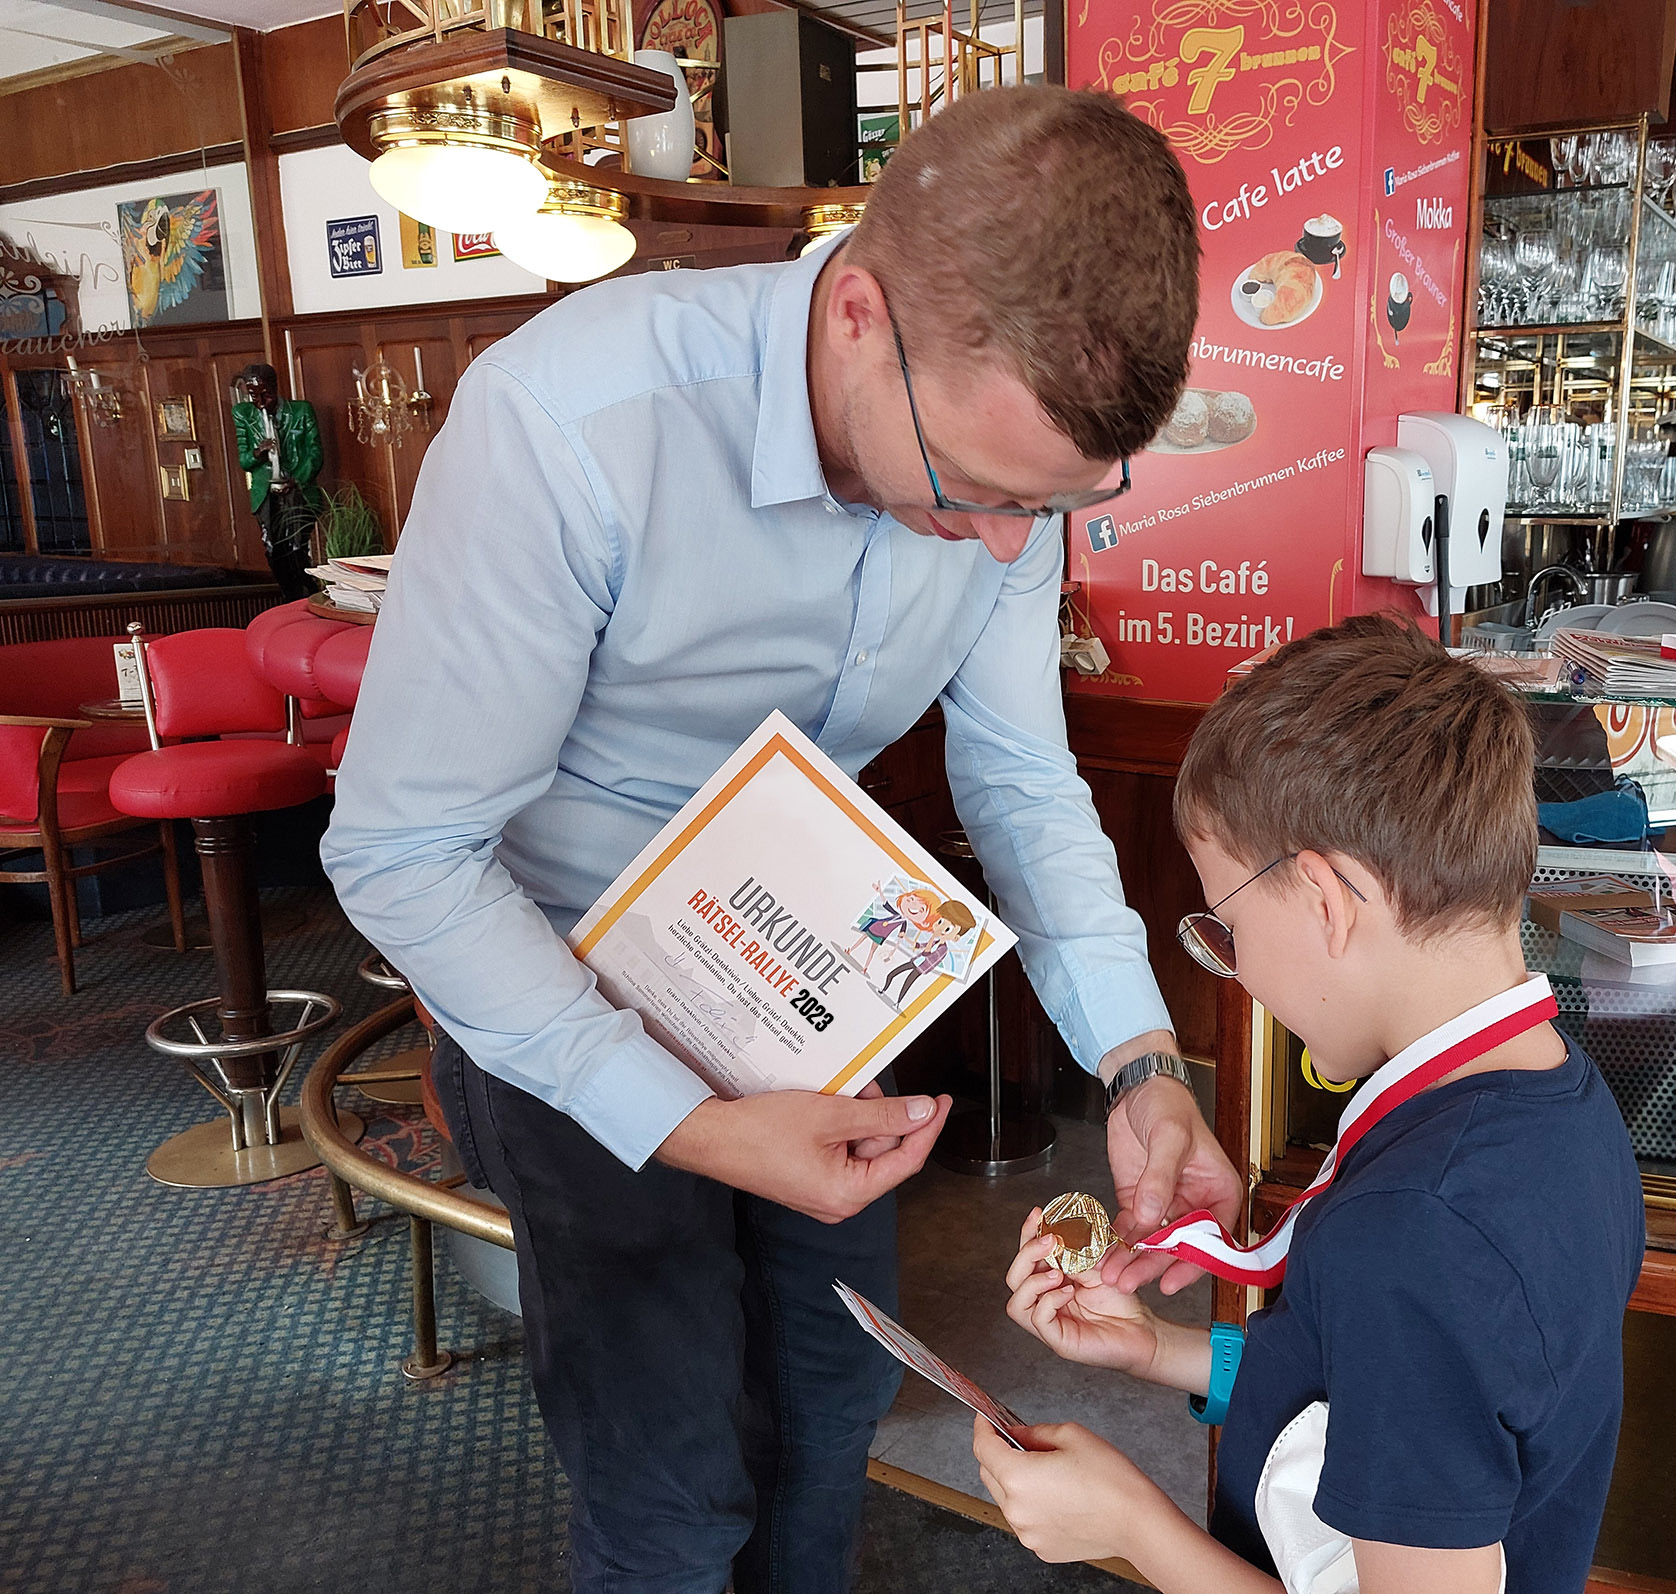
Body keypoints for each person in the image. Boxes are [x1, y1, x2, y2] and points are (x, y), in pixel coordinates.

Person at [321, 86, 1243, 1594]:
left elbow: (1019, 778)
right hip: (550, 975)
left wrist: (1142, 1068)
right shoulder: (568, 422)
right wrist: (683, 1120)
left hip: (799, 974)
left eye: (1055, 507)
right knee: (674, 1488)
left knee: (830, 1399)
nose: (1012, 548)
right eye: (978, 492)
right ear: (860, 314)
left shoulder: (1009, 460)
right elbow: (405, 854)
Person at [975, 614, 1646, 1594]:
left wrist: (1127, 1524)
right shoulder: (1556, 1108)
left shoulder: (1420, 1229)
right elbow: (1392, 1400)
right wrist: (1157, 1350)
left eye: (1229, 924)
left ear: (1327, 899)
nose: (1234, 967)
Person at [230, 363, 324, 599]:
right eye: (254, 396)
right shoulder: (243, 413)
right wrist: (257, 452)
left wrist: (298, 478)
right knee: (273, 550)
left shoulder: (301, 411)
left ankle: (308, 595)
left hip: (297, 491)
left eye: (266, 395)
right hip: (267, 494)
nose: (261, 402)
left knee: (297, 548)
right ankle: (289, 599)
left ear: (276, 387)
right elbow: (244, 461)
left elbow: (315, 453)